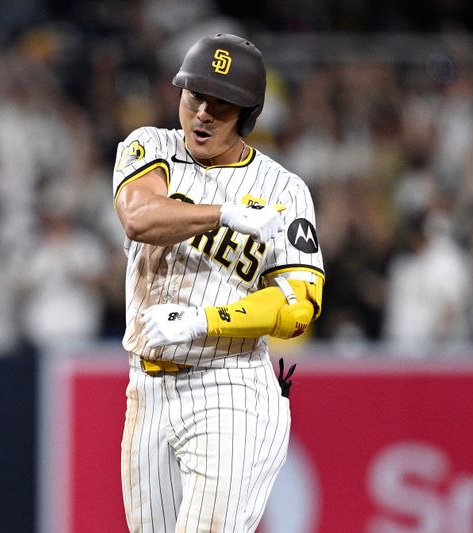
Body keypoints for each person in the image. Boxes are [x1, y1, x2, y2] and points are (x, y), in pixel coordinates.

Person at [113, 33, 325, 532]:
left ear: (247, 114)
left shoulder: (284, 191)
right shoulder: (150, 146)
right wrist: (226, 213)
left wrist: (204, 321)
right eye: (195, 96)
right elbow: (138, 218)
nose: (203, 113)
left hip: (227, 384)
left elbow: (300, 305)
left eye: (221, 104)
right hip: (145, 389)